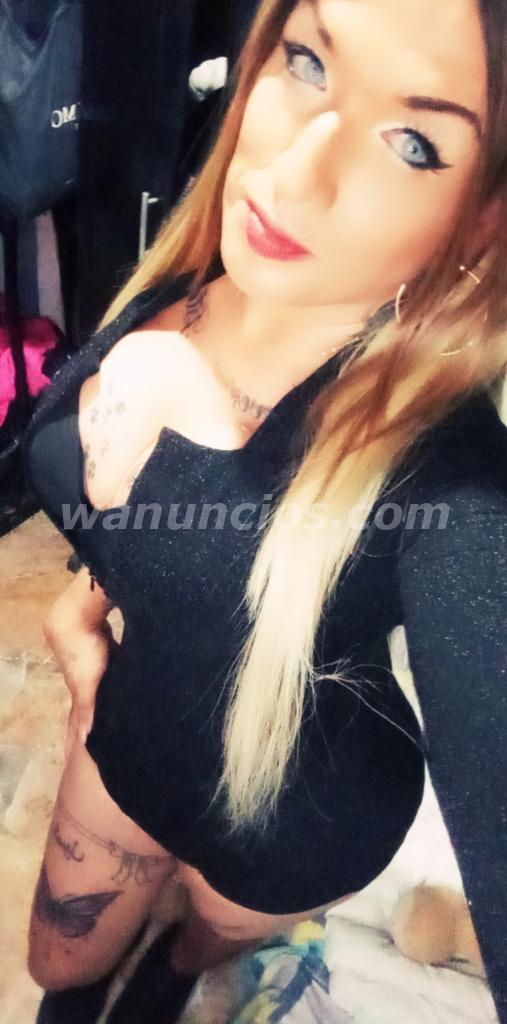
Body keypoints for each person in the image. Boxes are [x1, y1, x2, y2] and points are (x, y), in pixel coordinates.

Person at [24, 0, 507, 1021]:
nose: (293, 171)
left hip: (306, 820)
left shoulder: (452, 477)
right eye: (308, 61)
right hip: (130, 731)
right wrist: (97, 594)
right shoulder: (211, 253)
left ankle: (175, 970)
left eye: (413, 142)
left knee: (187, 955)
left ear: (485, 214)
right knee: (60, 972)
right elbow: (156, 525)